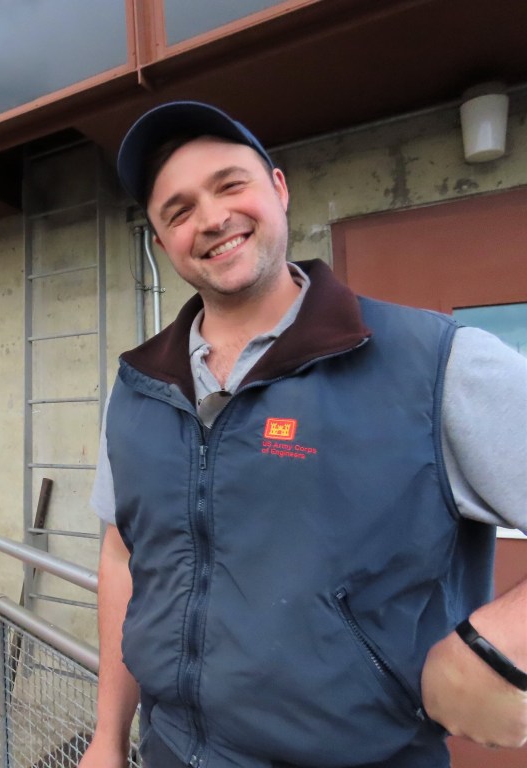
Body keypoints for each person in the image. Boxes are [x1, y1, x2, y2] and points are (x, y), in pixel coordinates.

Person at [80, 102, 527, 768]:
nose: (211, 218)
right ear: (162, 242)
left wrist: (506, 640)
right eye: (178, 211)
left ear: (279, 189)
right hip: (170, 749)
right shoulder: (139, 388)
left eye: (230, 185)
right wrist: (107, 737)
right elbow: (123, 557)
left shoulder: (436, 363)